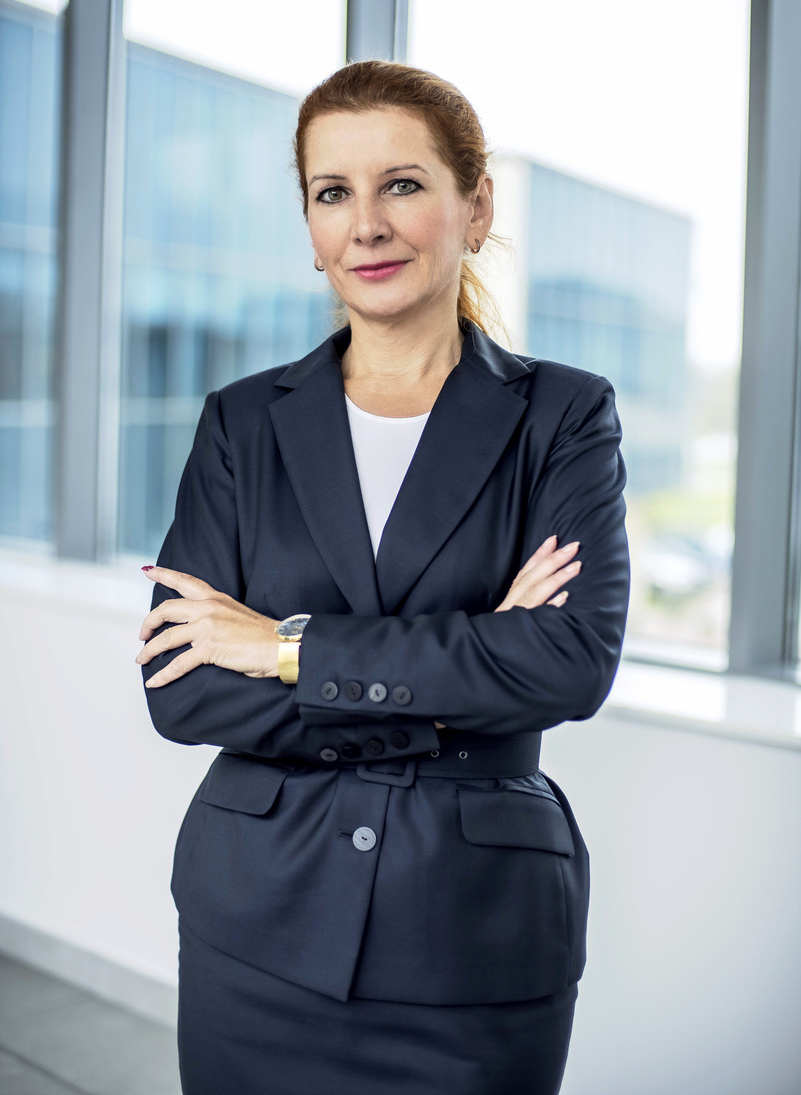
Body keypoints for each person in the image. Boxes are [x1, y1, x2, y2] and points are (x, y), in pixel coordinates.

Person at [136, 59, 630, 1095]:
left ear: (476, 206)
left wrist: (283, 648)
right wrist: (470, 665)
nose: (366, 225)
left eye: (401, 184)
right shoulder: (241, 423)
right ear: (311, 226)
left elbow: (566, 664)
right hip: (256, 926)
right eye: (333, 193)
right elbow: (182, 690)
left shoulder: (563, 416)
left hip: (469, 938)